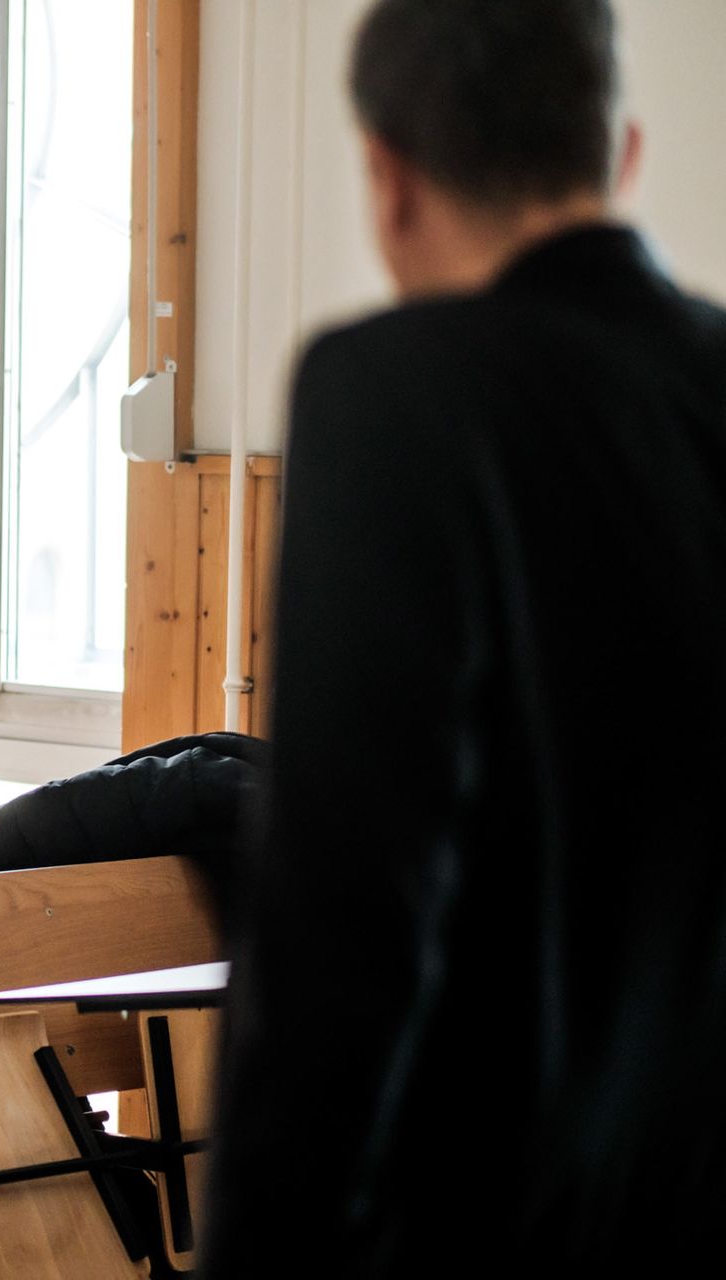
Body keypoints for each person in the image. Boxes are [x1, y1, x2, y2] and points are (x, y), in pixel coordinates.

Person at [203, 1, 726, 1274]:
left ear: (388, 177)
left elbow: (350, 910)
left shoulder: (398, 392)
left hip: (486, 1221)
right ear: (622, 152)